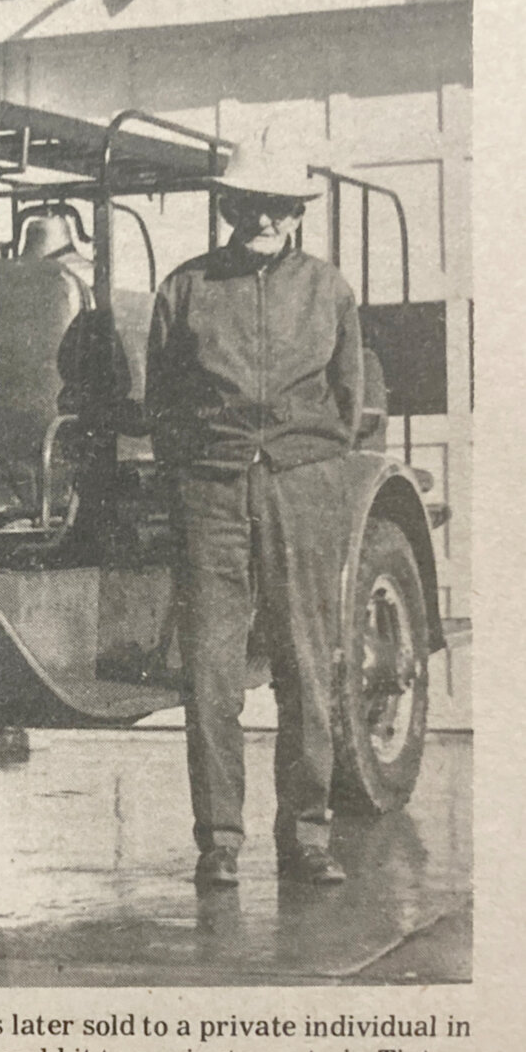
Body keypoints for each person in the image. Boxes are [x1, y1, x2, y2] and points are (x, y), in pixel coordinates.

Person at [144, 135, 364, 888]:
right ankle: (220, 842)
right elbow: (163, 405)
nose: (265, 218)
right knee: (210, 673)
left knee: (307, 659)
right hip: (210, 492)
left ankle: (306, 834)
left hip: (301, 487)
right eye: (251, 204)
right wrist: (201, 469)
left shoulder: (328, 290)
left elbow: (350, 399)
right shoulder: (186, 288)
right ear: (228, 207)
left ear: (297, 213)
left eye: (281, 206)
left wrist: (306, 460)